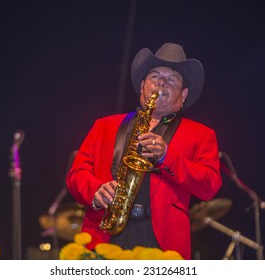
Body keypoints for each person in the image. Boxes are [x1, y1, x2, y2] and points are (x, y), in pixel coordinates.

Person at [66, 42, 222, 259]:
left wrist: (168, 157)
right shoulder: (105, 125)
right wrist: (95, 190)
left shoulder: (202, 134)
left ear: (183, 94)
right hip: (105, 233)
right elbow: (76, 174)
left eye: (171, 79)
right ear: (142, 87)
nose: (161, 83)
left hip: (162, 242)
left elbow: (210, 186)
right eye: (155, 76)